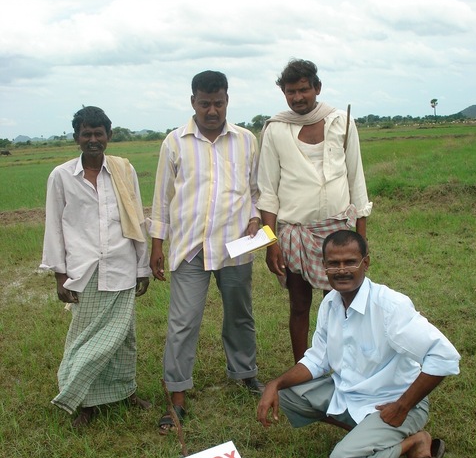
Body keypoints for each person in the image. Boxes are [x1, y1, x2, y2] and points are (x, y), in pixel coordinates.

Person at [257, 230, 460, 458]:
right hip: (350, 394)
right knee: (287, 393)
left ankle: (416, 441)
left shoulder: (390, 307)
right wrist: (275, 383)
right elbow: (318, 359)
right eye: (334, 263)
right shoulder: (330, 303)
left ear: (366, 263)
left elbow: (444, 356)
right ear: (324, 266)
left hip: (394, 402)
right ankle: (365, 434)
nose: (342, 270)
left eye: (350, 262)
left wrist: (402, 406)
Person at [148, 70, 264, 434]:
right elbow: (162, 198)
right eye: (204, 103)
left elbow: (256, 190)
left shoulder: (246, 140)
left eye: (218, 102)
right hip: (190, 248)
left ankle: (245, 374)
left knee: (240, 316)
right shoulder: (175, 142)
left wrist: (256, 218)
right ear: (192, 102)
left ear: (227, 99)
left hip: (235, 247)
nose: (211, 110)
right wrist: (157, 245)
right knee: (183, 322)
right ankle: (177, 395)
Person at [41, 106, 151, 428]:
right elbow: (54, 227)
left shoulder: (123, 171)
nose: (92, 139)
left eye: (98, 133)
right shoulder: (61, 176)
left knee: (124, 338)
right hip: (83, 271)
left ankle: (125, 392)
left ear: (109, 136)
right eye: (86, 133)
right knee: (86, 339)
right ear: (76, 137)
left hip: (121, 266)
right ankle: (84, 401)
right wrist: (60, 274)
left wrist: (142, 268)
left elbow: (136, 217)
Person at [257, 59, 373, 362]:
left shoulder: (340, 121)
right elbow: (267, 192)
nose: (298, 97)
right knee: (298, 305)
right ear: (283, 92)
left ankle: (343, 365)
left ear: (317, 88)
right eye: (290, 92)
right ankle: (303, 370)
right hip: (294, 232)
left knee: (341, 301)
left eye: (304, 90)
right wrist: (271, 244)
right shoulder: (275, 129)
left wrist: (360, 240)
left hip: (338, 232)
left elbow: (356, 180)